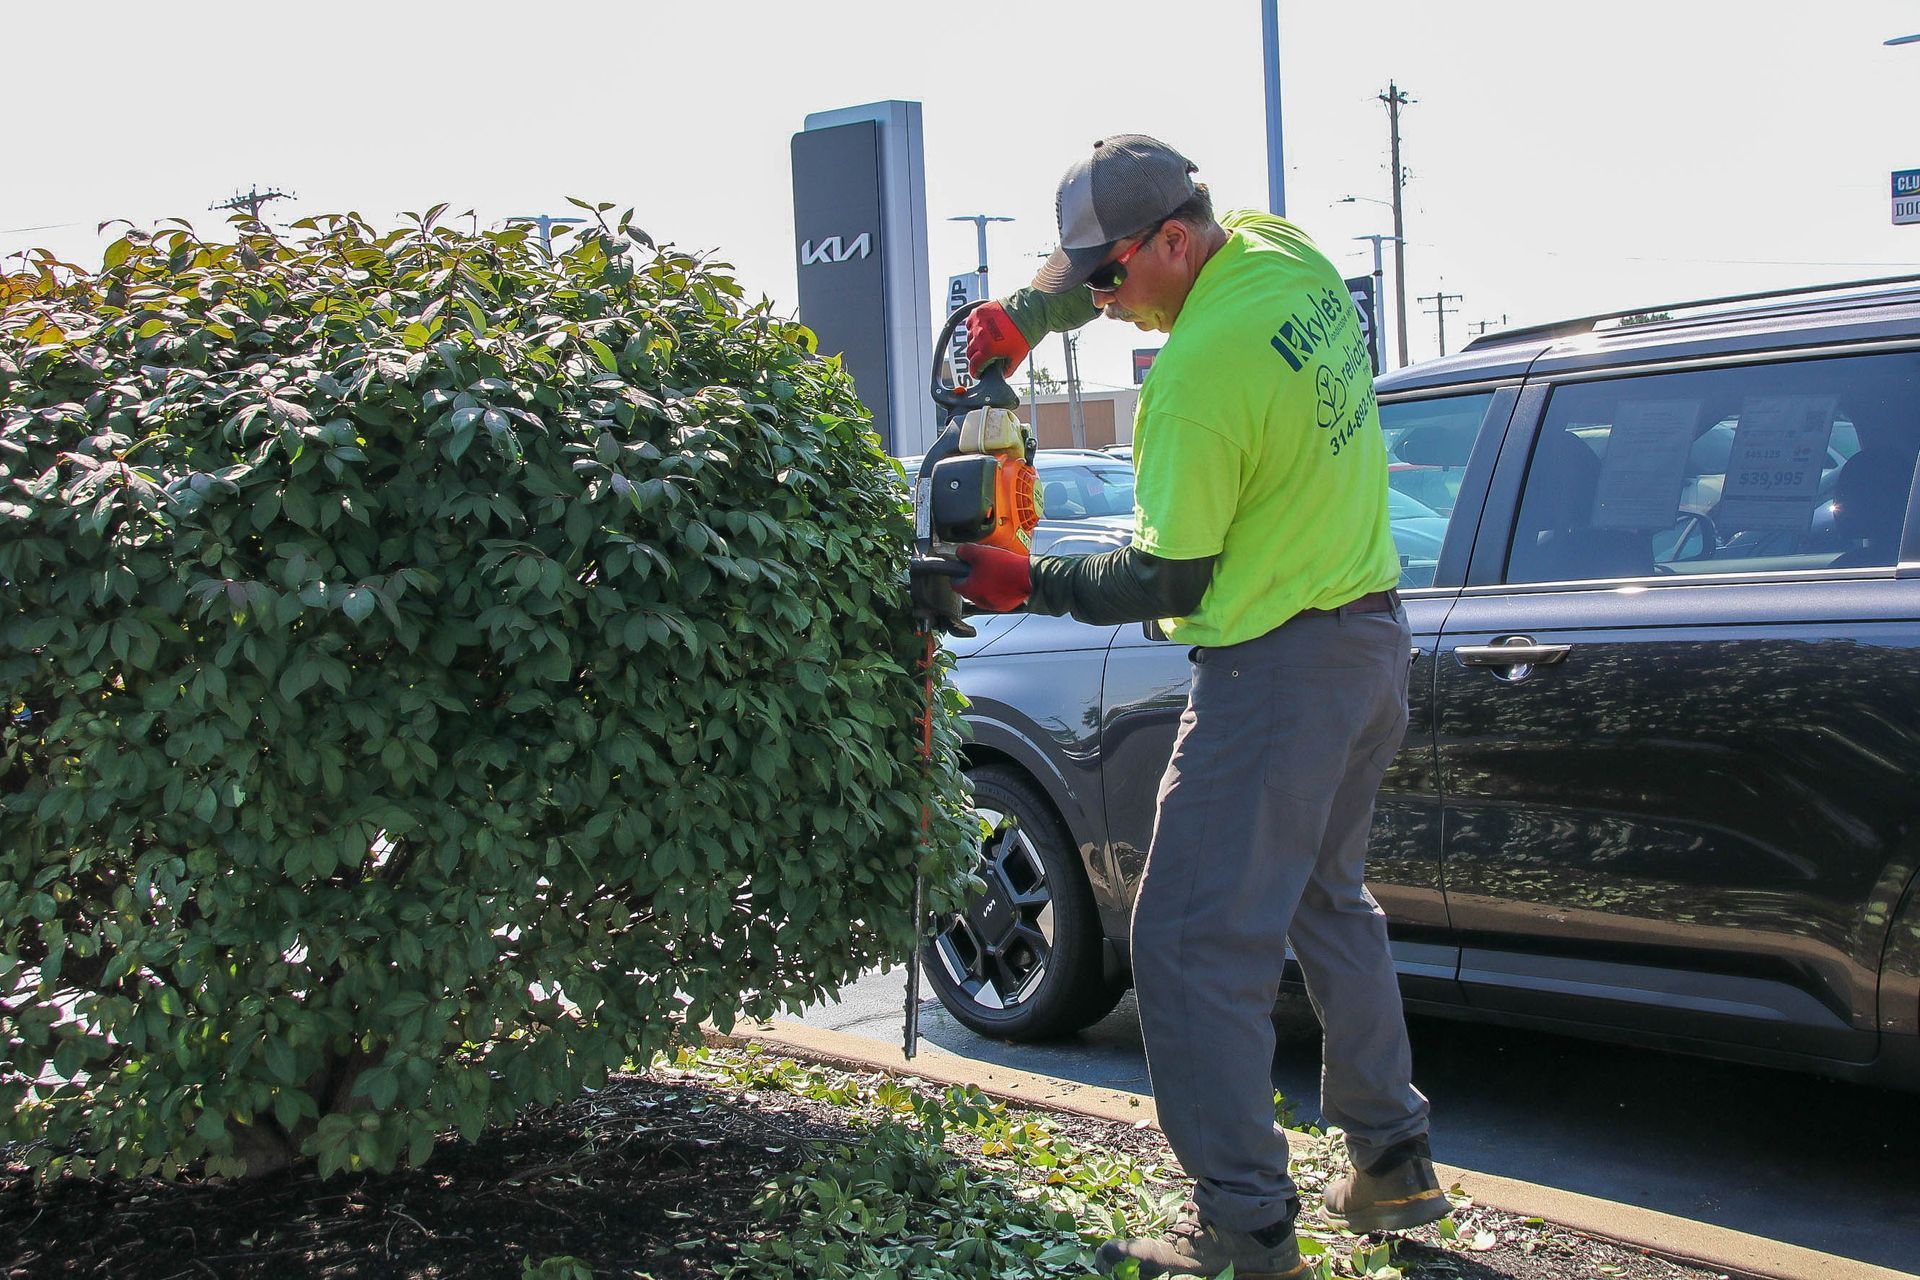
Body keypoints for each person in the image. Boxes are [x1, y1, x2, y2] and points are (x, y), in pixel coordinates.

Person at [927, 135, 1449, 1278]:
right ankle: (1393, 1155)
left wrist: (1022, 579)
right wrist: (1029, 313)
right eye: (1088, 279)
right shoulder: (1280, 251)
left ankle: (1246, 1226)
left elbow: (1170, 580)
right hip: (1368, 642)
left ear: (1171, 240)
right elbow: (1101, 269)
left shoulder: (1198, 381)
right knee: (1329, 898)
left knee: (1183, 943)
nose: (1103, 303)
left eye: (1109, 278)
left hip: (1275, 675)